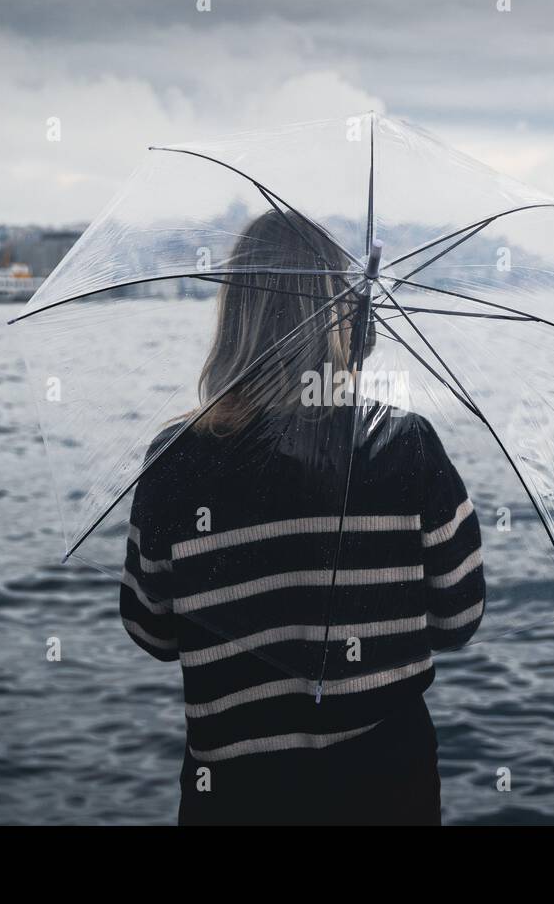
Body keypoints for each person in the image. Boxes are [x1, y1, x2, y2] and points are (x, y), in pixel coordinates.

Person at [118, 209, 484, 825]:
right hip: (388, 789)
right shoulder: (404, 444)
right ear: (343, 317)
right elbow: (460, 617)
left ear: (235, 319)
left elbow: (151, 630)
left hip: (235, 795)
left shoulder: (175, 462)